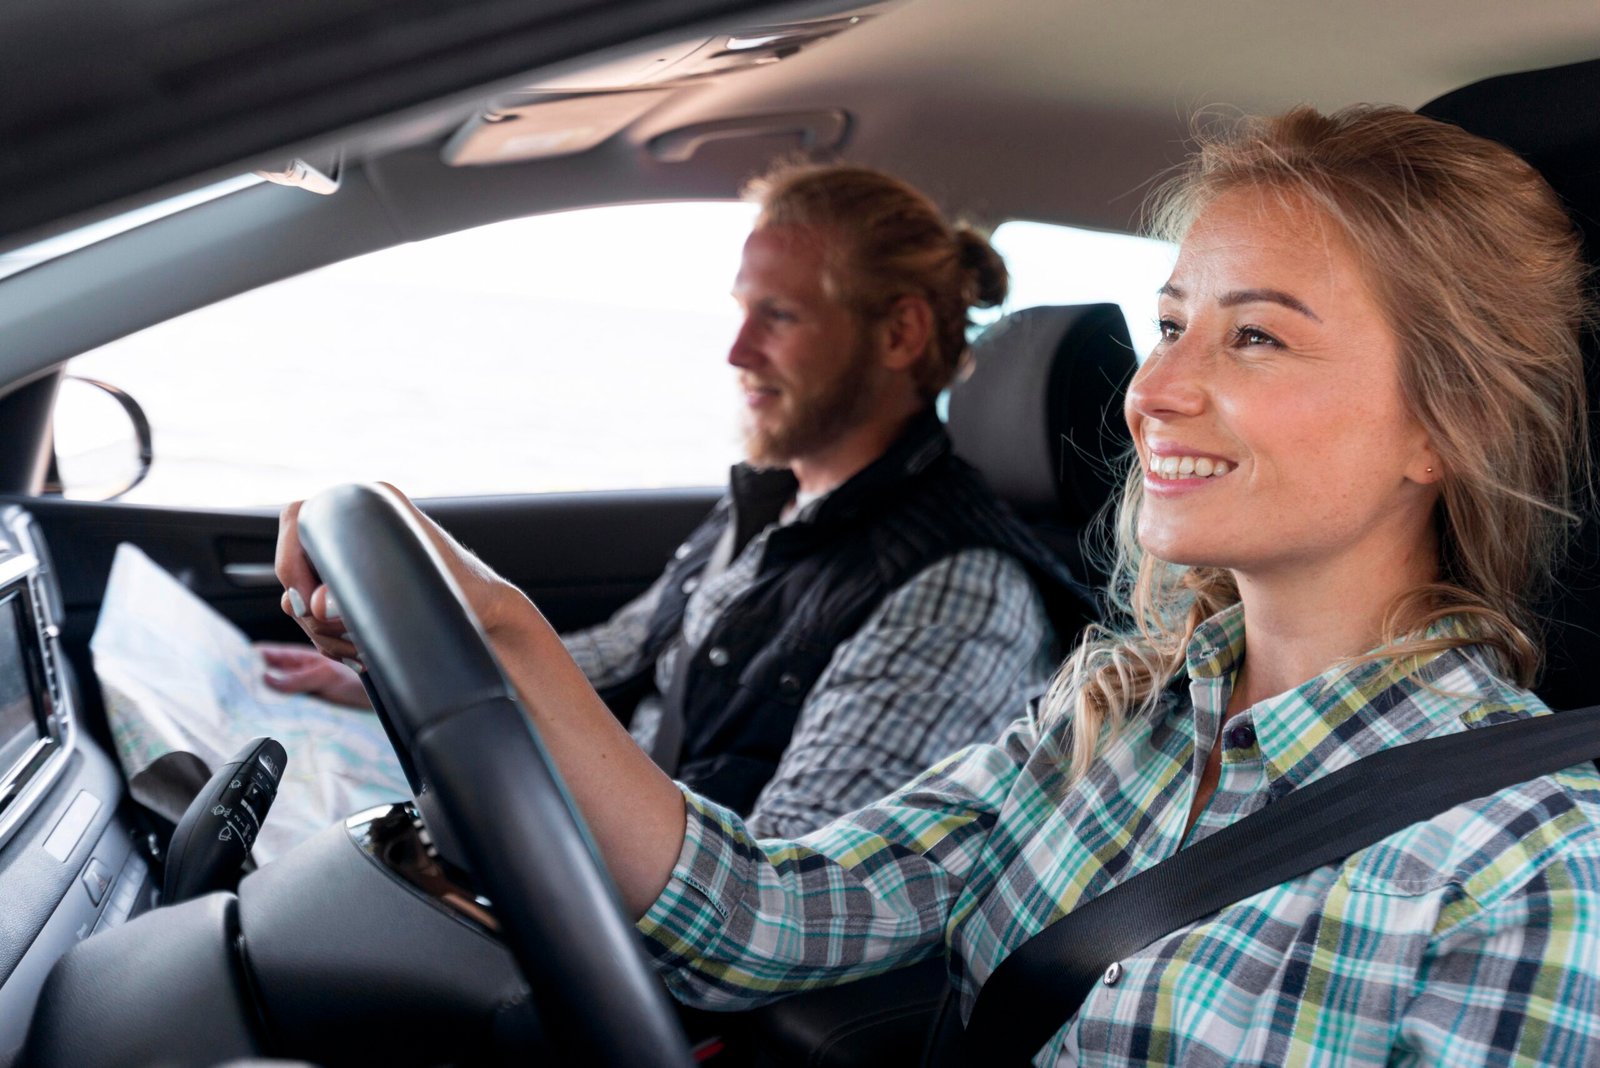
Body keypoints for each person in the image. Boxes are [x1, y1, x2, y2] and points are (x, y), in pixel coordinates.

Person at [280, 105, 1600, 1063]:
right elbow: (772, 912)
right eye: (1168, 324)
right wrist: (494, 625)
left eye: (1255, 334)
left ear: (1447, 423)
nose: (1153, 390)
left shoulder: (1540, 860)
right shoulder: (1110, 716)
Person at [270, 161, 1095, 839]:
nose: (737, 350)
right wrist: (394, 668)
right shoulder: (775, 501)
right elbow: (622, 651)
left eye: (778, 315)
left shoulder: (959, 594)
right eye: (743, 310)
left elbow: (781, 896)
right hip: (599, 846)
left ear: (898, 334)